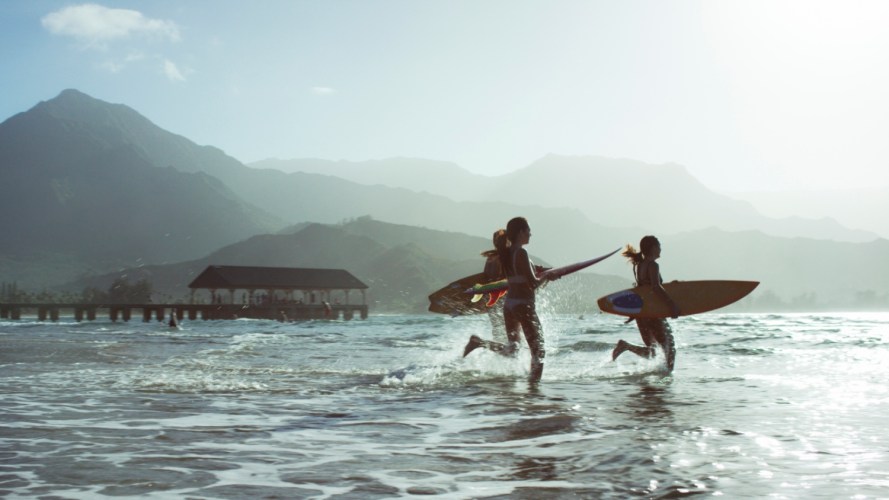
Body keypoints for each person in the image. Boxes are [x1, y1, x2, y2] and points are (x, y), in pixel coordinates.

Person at [463, 217, 555, 382]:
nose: (530, 234)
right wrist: (548, 276)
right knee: (538, 351)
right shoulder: (521, 252)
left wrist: (539, 270)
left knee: (513, 349)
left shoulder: (506, 253)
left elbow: (520, 274)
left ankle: (479, 342)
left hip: (510, 306)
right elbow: (533, 283)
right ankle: (533, 392)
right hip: (523, 306)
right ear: (520, 232)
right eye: (528, 230)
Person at [611, 235, 680, 372]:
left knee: (654, 351)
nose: (661, 249)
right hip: (653, 313)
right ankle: (666, 383)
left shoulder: (641, 266)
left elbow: (643, 289)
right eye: (659, 246)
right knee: (670, 349)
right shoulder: (653, 265)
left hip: (643, 314)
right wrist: (672, 305)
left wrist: (633, 313)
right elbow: (655, 287)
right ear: (654, 248)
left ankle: (626, 346)